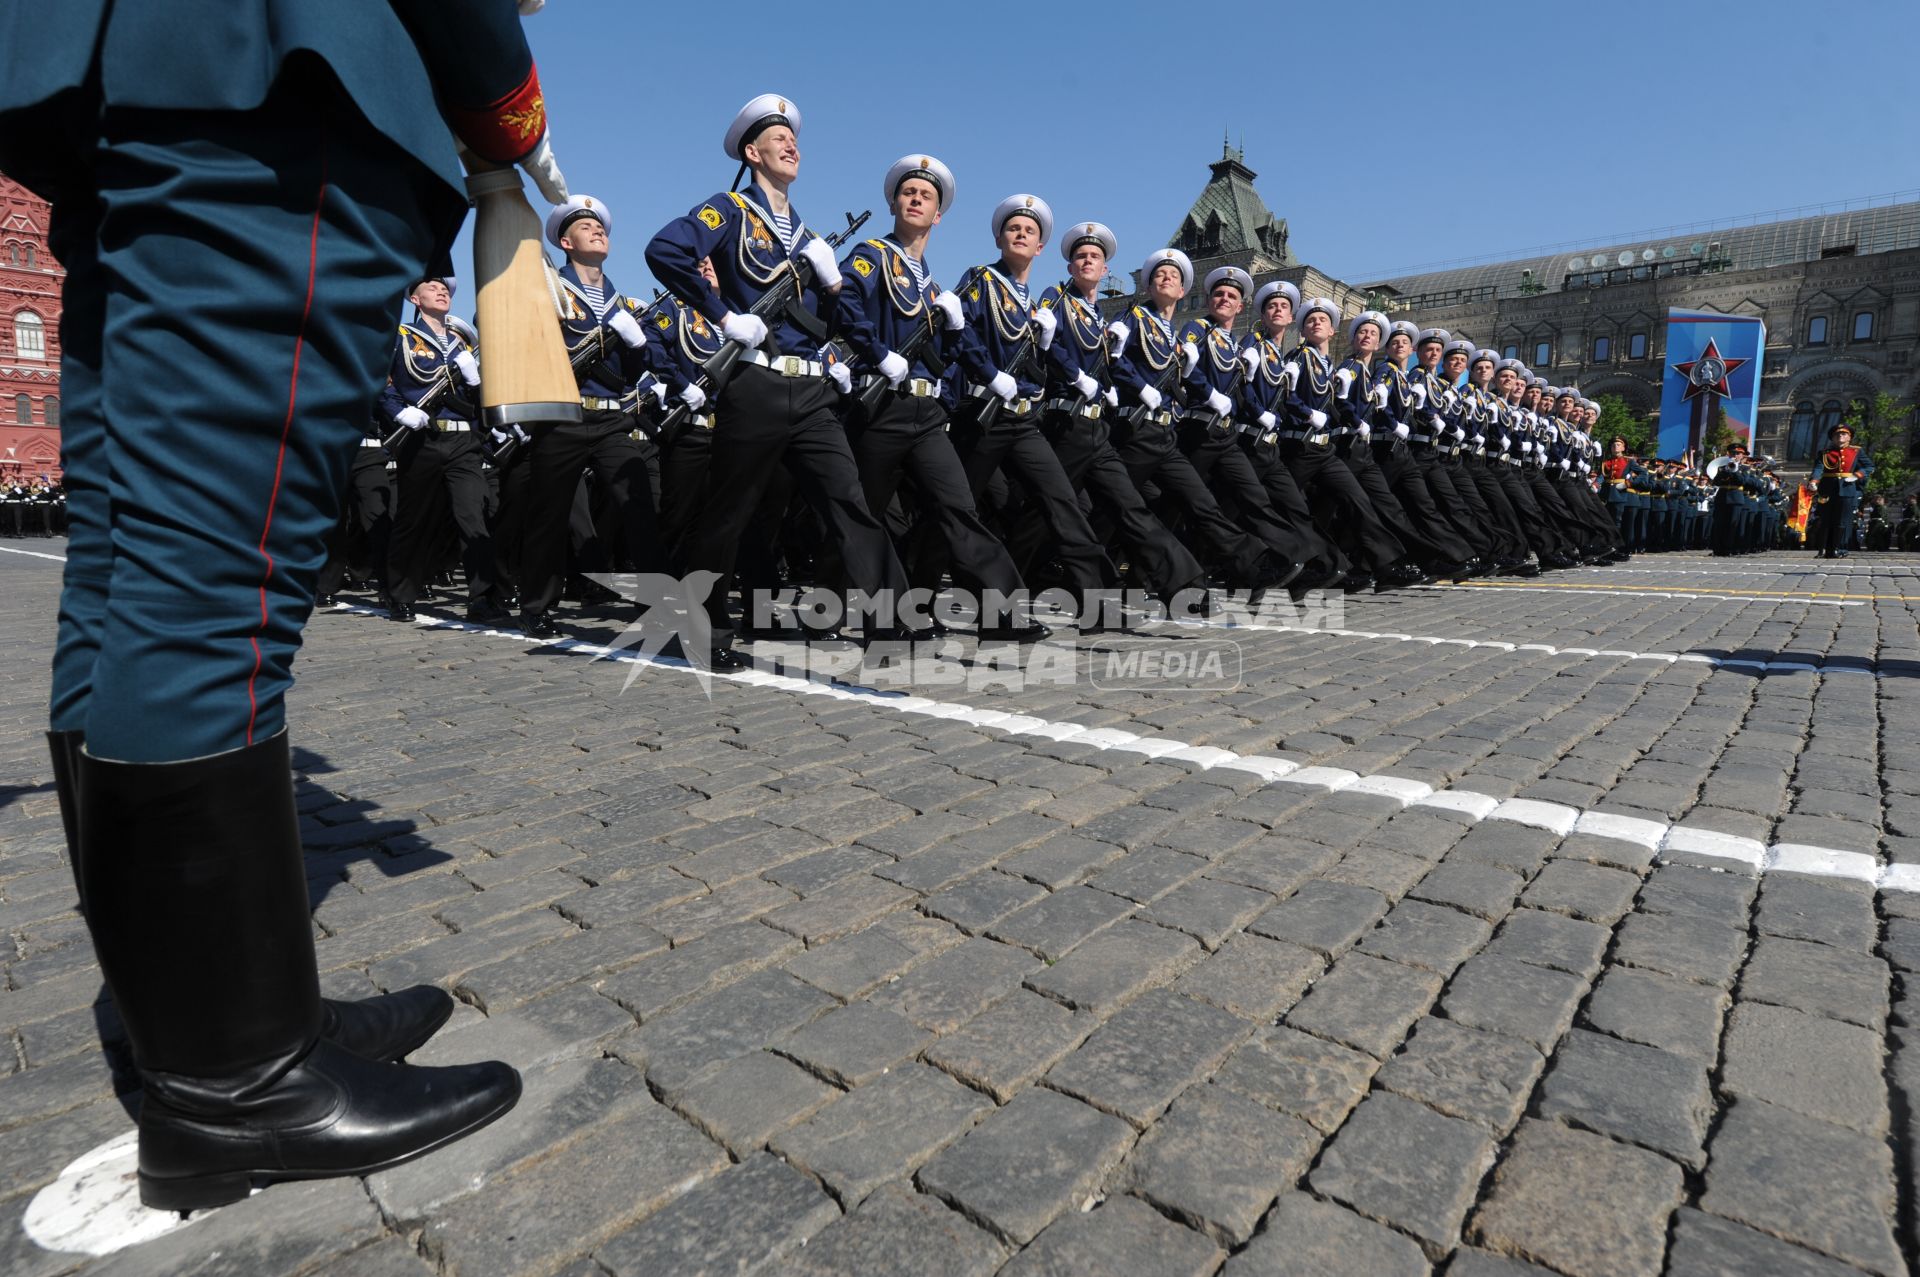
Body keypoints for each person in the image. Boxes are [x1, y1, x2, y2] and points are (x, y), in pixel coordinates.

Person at [0, 0, 566, 1211]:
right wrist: (503, 94)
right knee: (215, 584)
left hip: (159, 73)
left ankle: (195, 1019)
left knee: (127, 568)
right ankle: (234, 1086)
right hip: (284, 76)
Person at [647, 94, 909, 664]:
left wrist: (845, 301)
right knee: (729, 514)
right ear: (752, 151)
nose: (791, 144)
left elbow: (836, 316)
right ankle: (700, 630)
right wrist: (720, 313)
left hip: (811, 390)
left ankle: (889, 622)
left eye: (794, 137)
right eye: (777, 137)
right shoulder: (729, 209)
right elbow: (665, 249)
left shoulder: (809, 238)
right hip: (756, 386)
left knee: (850, 502)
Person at [835, 156, 1047, 641]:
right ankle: (836, 606)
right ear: (893, 203)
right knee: (858, 514)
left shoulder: (929, 281)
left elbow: (944, 355)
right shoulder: (873, 254)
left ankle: (1002, 613)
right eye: (908, 192)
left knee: (958, 507)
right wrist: (877, 352)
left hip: (926, 412)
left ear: (938, 216)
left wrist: (952, 330)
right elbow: (846, 301)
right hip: (882, 405)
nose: (915, 199)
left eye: (926, 196)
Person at [942, 195, 1118, 628]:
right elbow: (959, 334)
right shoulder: (980, 279)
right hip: (983, 413)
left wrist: (1040, 350)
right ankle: (921, 590)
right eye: (1014, 228)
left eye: (1030, 231)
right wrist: (988, 373)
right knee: (956, 509)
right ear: (1000, 238)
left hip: (1022, 418)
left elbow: (1041, 365)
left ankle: (1098, 600)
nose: (1021, 235)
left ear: (1040, 248)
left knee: (1061, 501)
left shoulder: (1033, 302)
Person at [517, 196, 662, 638]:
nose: (598, 230)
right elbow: (526, 350)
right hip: (562, 416)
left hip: (613, 419)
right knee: (550, 514)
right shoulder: (547, 290)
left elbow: (638, 372)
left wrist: (638, 345)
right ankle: (537, 607)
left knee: (639, 505)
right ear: (565, 241)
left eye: (601, 226)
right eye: (585, 226)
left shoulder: (621, 303)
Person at [378, 273, 509, 623]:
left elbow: (478, 402)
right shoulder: (401, 338)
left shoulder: (463, 347)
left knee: (474, 516)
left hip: (462, 440)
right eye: (431, 288)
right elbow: (378, 381)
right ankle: (400, 594)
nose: (441, 291)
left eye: (445, 288)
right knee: (413, 519)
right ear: (414, 300)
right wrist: (399, 411)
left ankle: (482, 597)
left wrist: (476, 381)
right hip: (422, 439)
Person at [1810, 423, 1872, 558]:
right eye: (1837, 434)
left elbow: (1869, 467)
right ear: (1832, 438)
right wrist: (1814, 481)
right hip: (1827, 488)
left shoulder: (1857, 451)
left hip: (1847, 488)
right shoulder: (1824, 453)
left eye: (1844, 434)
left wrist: (1856, 475)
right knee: (1825, 519)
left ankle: (1840, 548)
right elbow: (1818, 468)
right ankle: (1824, 549)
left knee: (1843, 520)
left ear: (1850, 437)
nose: (1840, 436)